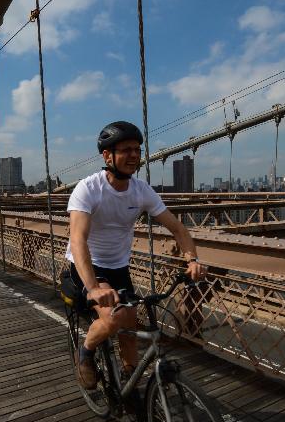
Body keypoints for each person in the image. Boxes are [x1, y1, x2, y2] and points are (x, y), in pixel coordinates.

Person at [67, 121, 207, 390]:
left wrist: (192, 260)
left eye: (137, 149)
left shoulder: (141, 190)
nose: (134, 155)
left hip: (118, 266)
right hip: (87, 265)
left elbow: (177, 228)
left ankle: (130, 385)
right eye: (126, 150)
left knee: (130, 328)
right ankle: (85, 352)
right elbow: (78, 240)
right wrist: (94, 288)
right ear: (107, 156)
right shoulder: (88, 189)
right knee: (113, 319)